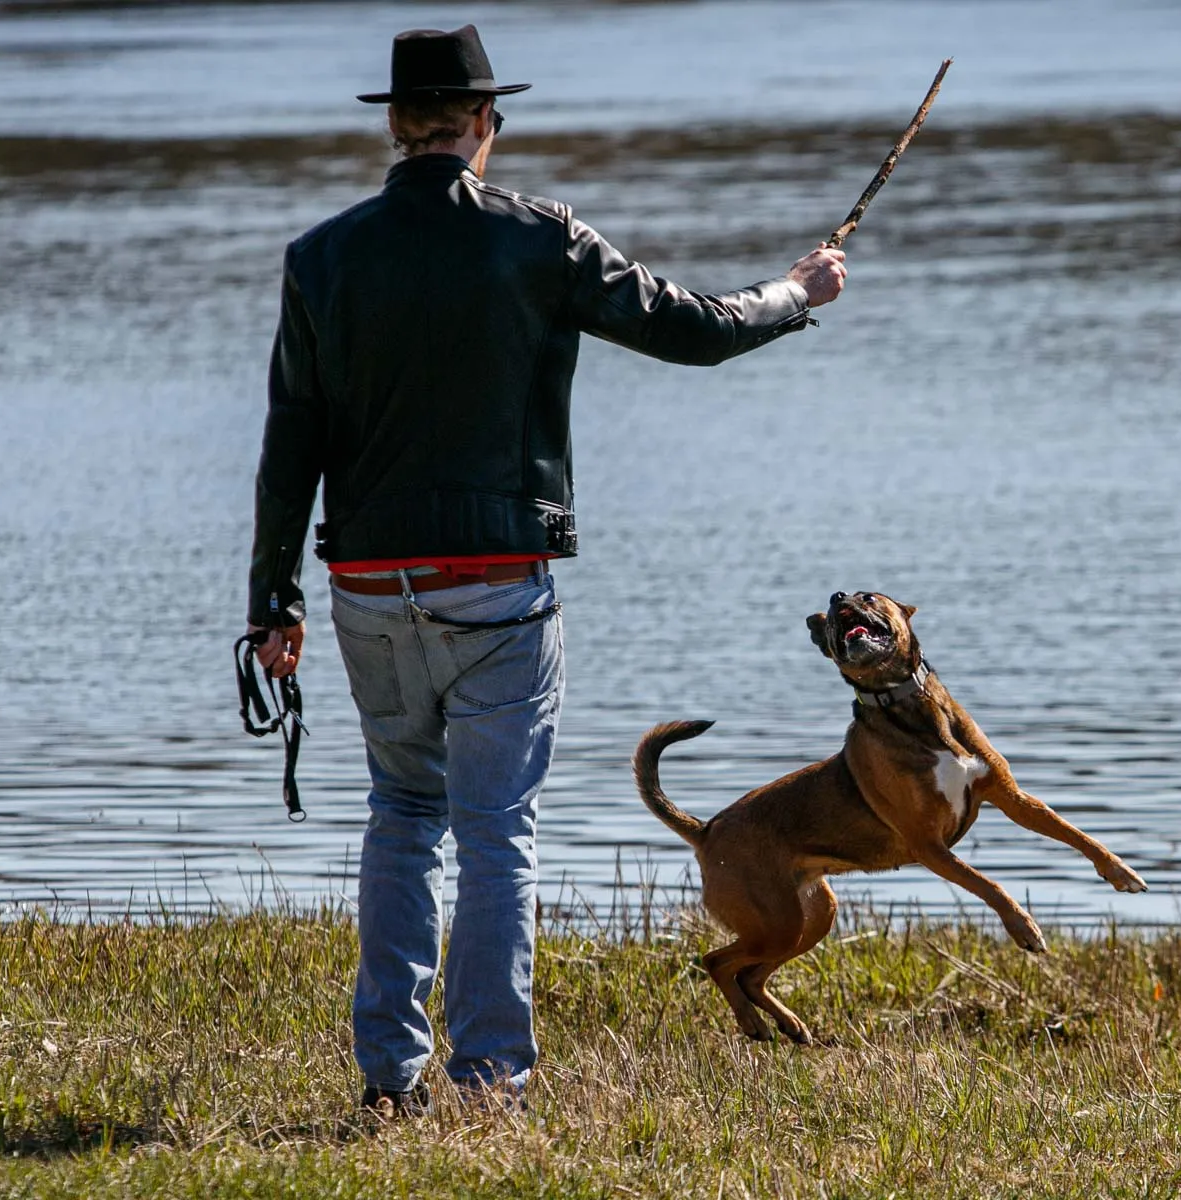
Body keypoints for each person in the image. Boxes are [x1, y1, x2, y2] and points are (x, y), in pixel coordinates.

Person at [243, 24, 846, 1116]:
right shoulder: (541, 240)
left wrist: (270, 602)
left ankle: (389, 1077)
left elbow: (292, 444)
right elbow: (697, 329)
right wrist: (795, 293)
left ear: (393, 123)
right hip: (498, 588)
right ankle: (489, 1084)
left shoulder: (320, 257)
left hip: (367, 589)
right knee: (494, 831)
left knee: (400, 811)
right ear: (486, 125)